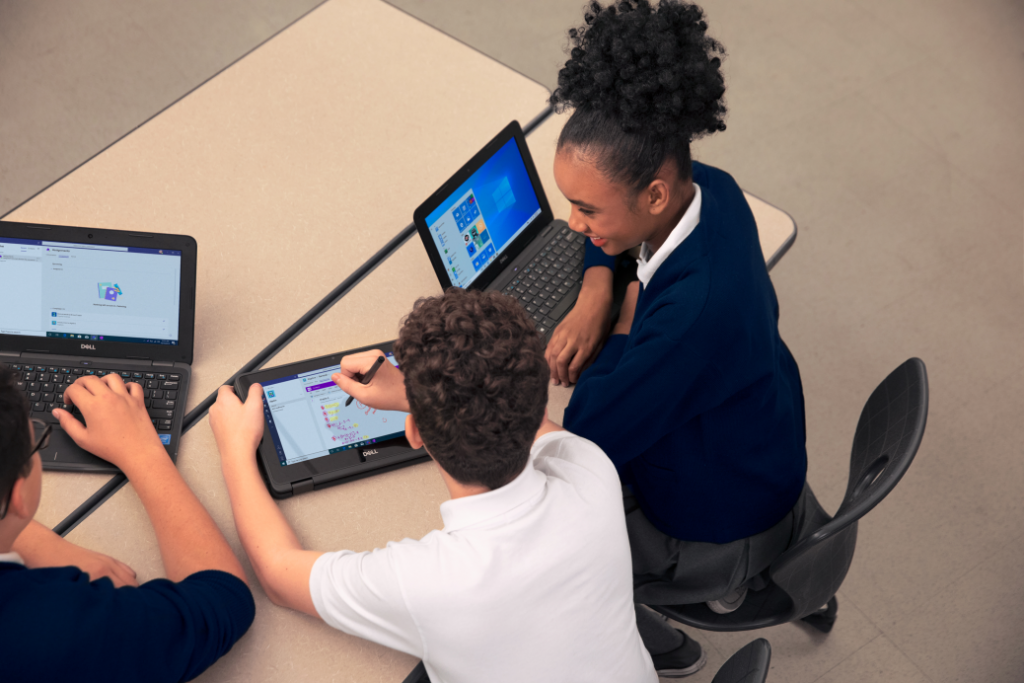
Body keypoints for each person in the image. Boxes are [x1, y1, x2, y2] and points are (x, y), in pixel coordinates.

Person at [546, 0, 808, 675]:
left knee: (545, 551)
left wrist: (627, 317)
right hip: (756, 432)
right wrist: (602, 284)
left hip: (720, 519)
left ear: (655, 197)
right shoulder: (712, 189)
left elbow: (587, 433)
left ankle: (665, 646)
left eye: (586, 209)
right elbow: (623, 248)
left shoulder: (690, 320)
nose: (574, 225)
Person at [209, 288, 657, 683]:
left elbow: (276, 572)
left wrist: (234, 450)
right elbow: (528, 413)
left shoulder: (427, 581)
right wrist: (422, 396)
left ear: (415, 434)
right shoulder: (589, 468)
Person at [0, 368, 255, 683]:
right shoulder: (59, 629)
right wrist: (139, 450)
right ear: (16, 496)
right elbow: (222, 601)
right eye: (37, 441)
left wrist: (33, 539)